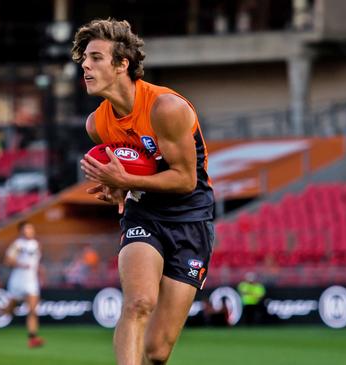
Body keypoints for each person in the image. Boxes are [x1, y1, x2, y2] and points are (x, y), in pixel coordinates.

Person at [75, 18, 215, 364]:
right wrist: (115, 190)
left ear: (123, 64)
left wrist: (125, 182)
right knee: (138, 303)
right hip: (145, 213)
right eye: (84, 59)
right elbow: (131, 170)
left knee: (157, 352)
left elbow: (185, 180)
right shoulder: (97, 124)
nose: (85, 66)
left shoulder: (166, 109)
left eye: (95, 58)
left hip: (191, 218)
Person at [3, 221, 44, 348]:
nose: (30, 231)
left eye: (31, 229)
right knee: (10, 310)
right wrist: (20, 264)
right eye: (27, 229)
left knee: (33, 310)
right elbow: (7, 261)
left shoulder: (37, 245)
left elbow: (36, 263)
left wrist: (41, 273)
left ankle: (32, 338)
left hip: (31, 281)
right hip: (18, 280)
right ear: (21, 231)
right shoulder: (17, 245)